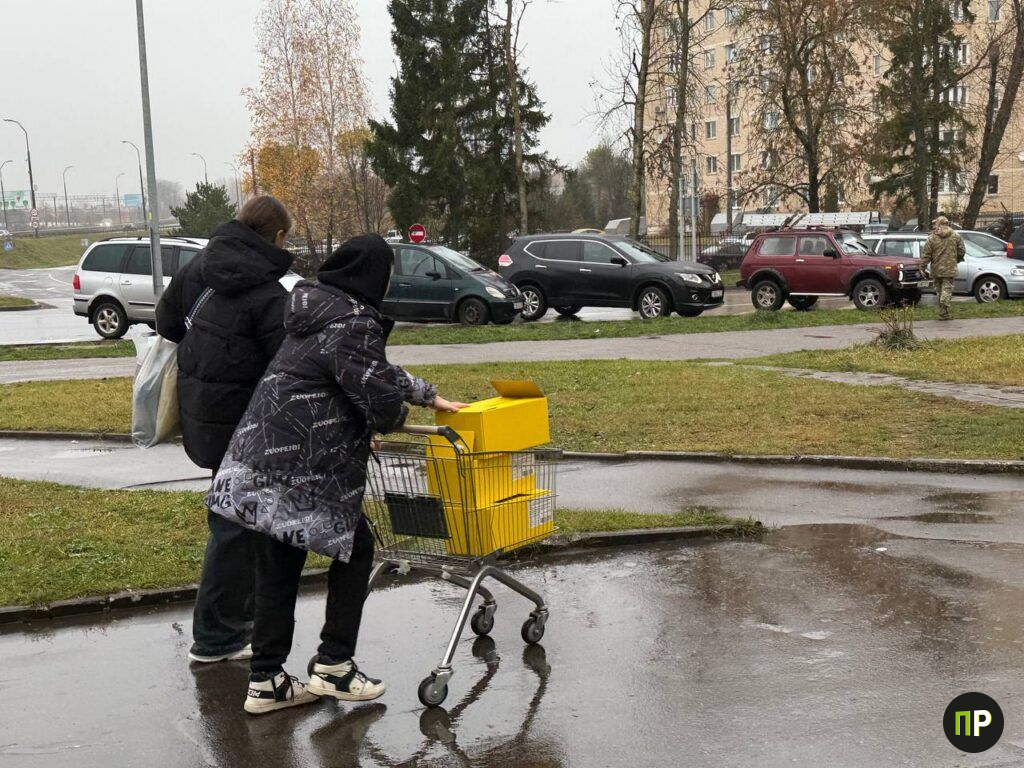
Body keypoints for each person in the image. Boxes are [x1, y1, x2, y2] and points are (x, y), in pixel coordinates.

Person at [206, 234, 466, 715]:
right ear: (374, 276)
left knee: (279, 565)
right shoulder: (355, 321)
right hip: (301, 467)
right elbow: (379, 403)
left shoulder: (318, 310)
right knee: (357, 546)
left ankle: (266, 680)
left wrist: (426, 394)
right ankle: (334, 664)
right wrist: (391, 412)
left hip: (258, 459)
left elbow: (362, 369)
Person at [156, 196, 295, 663]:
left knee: (237, 522)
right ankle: (216, 637)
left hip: (202, 408)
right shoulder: (269, 293)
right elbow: (285, 366)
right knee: (235, 526)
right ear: (278, 237)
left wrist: (210, 351)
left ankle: (235, 623)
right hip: (248, 421)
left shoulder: (197, 267)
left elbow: (166, 321)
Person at [919, 215, 964, 321]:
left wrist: (922, 267)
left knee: (939, 291)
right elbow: (962, 251)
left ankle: (943, 313)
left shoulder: (932, 238)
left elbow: (926, 254)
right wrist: (956, 259)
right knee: (947, 289)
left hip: (936, 269)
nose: (934, 225)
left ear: (939, 224)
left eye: (936, 223)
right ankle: (944, 305)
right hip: (950, 268)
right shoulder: (956, 236)